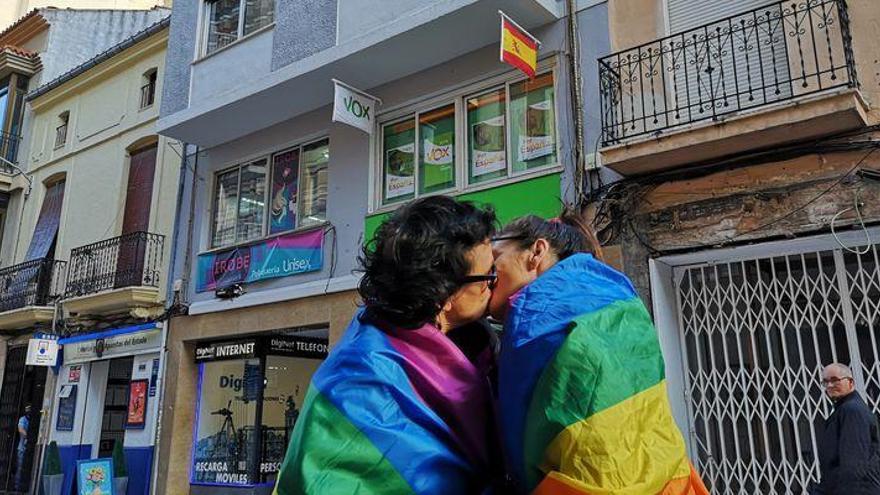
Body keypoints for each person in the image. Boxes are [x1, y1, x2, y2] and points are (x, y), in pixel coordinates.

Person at [273, 196, 501, 494]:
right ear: (443, 296)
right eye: (487, 277)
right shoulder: (359, 378)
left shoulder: (471, 344)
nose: (495, 283)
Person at [489, 208, 708, 494]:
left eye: (494, 260)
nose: (486, 275)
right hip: (671, 478)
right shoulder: (615, 293)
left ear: (536, 252)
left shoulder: (534, 316)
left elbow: (523, 447)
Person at [811, 363, 880, 494]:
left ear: (850, 382)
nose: (830, 386)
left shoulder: (852, 411)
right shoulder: (844, 409)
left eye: (835, 380)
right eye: (825, 382)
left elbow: (854, 464)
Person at [14, 404, 31, 492]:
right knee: (20, 467)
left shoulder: (32, 420)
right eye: (27, 409)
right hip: (22, 448)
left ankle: (24, 487)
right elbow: (20, 429)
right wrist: (28, 436)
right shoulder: (23, 419)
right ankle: (17, 487)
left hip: (29, 448)